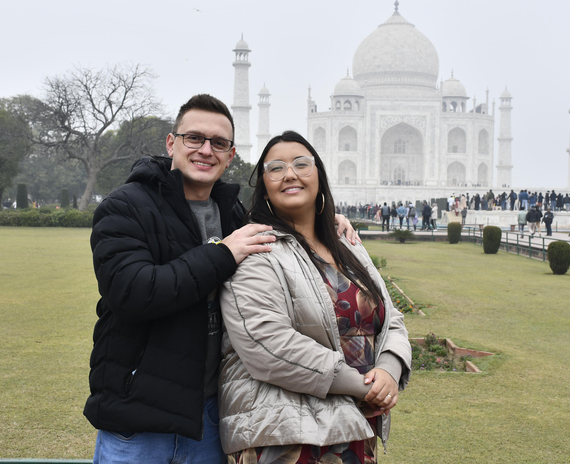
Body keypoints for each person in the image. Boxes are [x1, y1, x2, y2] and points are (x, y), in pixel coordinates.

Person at [85, 95, 356, 463]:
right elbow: (132, 292)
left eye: (219, 143)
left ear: (230, 155)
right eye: (193, 138)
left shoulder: (233, 214)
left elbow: (287, 228)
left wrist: (327, 221)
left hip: (209, 417)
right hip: (138, 421)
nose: (205, 150)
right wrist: (221, 254)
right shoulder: (126, 207)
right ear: (172, 143)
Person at [219, 131, 411, 463]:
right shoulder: (255, 248)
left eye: (301, 164)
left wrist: (389, 371)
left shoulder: (347, 244)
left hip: (354, 426)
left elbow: (391, 318)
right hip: (285, 435)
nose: (290, 173)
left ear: (319, 176)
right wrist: (365, 386)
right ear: (263, 185)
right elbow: (267, 344)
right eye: (276, 167)